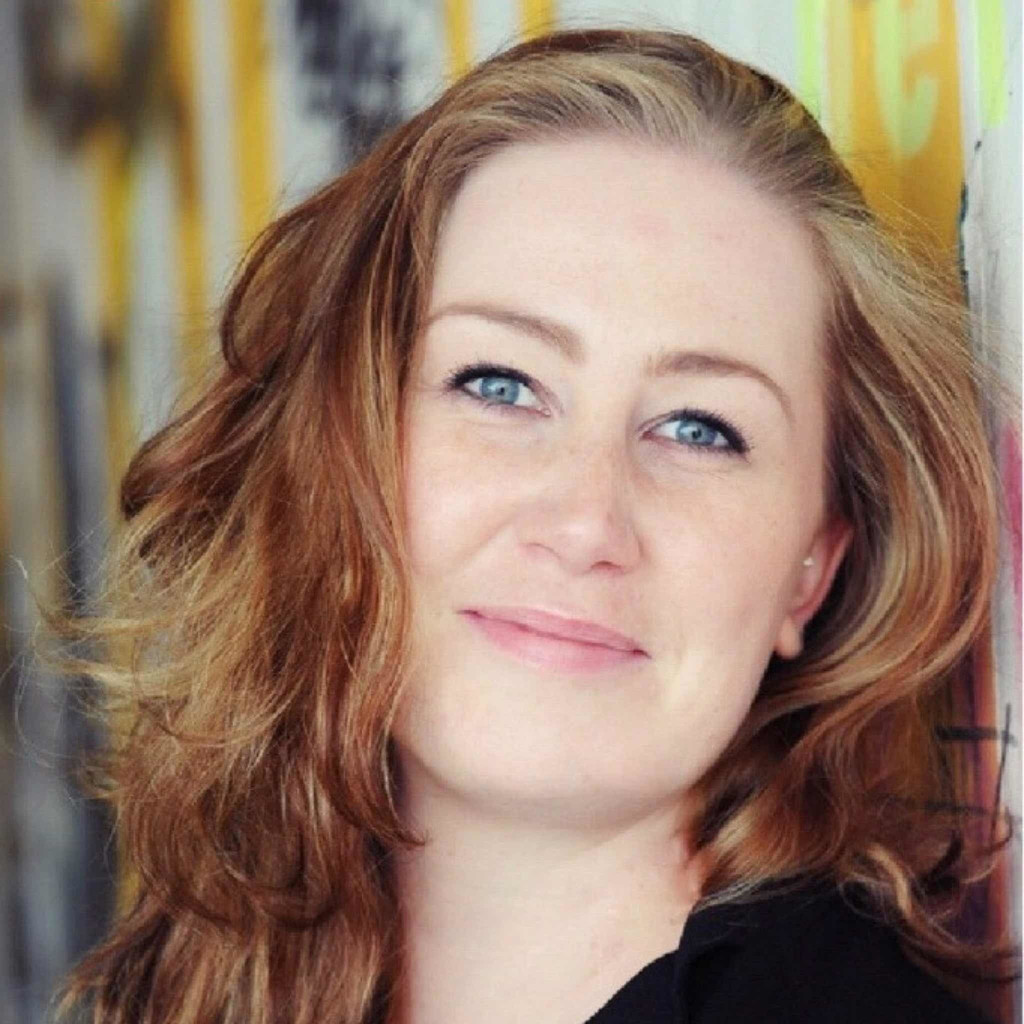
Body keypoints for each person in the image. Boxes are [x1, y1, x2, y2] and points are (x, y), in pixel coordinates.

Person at [54, 27, 1015, 1024]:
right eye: (500, 385)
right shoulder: (196, 976)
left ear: (811, 569)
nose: (584, 520)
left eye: (699, 428)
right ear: (335, 444)